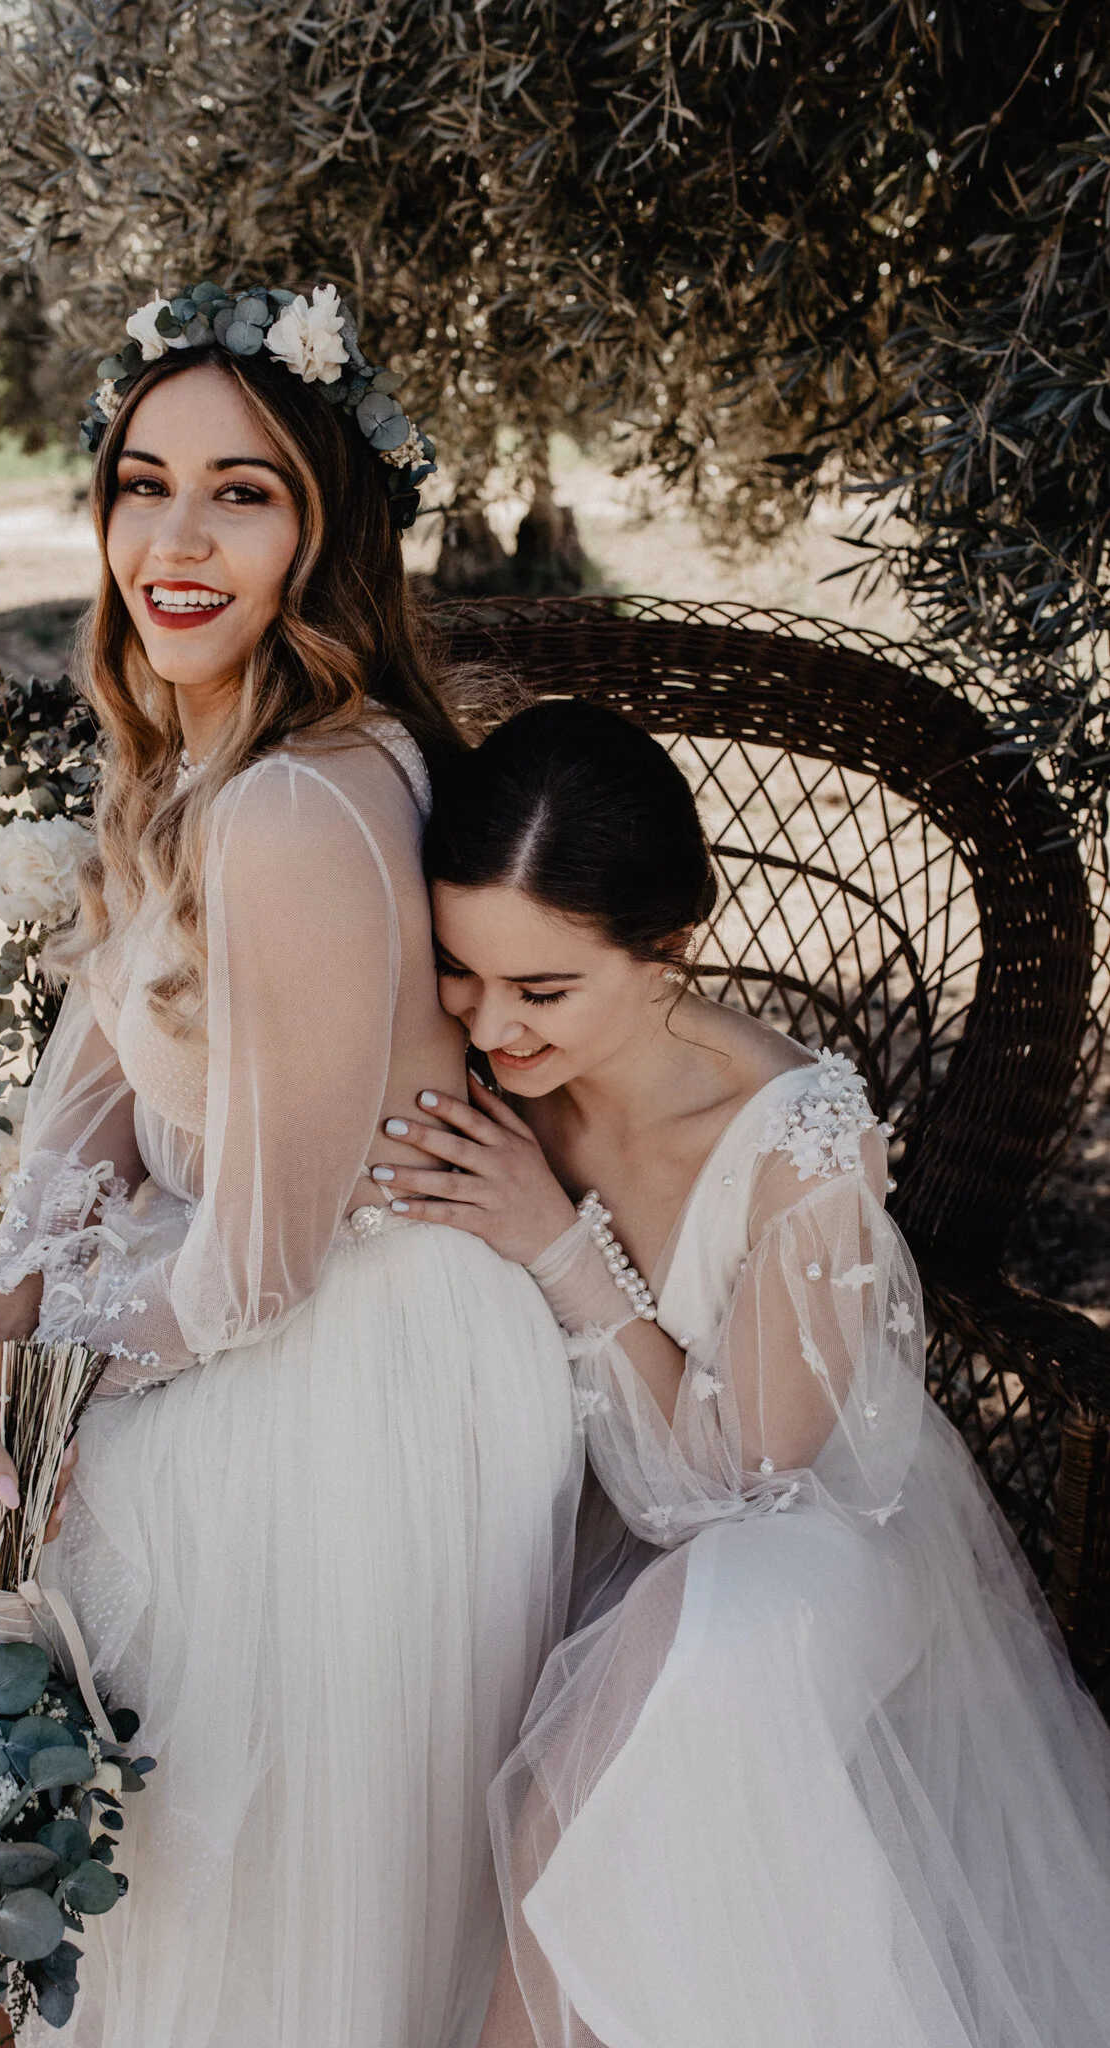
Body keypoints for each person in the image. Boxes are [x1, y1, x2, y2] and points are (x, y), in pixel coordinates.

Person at [0, 284, 580, 2048]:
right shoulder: (199, 765)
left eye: (242, 494)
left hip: (351, 1374)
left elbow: (261, 1264)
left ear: (322, 535)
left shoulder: (297, 805)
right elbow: (82, 1125)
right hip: (218, 1321)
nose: (175, 542)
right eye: (145, 485)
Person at [374, 698, 1110, 2048]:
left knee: (669, 1689)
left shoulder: (799, 1142)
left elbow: (743, 1481)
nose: (492, 1024)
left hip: (812, 1536)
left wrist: (560, 1247)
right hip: (579, 1526)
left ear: (670, 949)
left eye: (545, 989)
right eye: (461, 971)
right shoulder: (474, 1072)